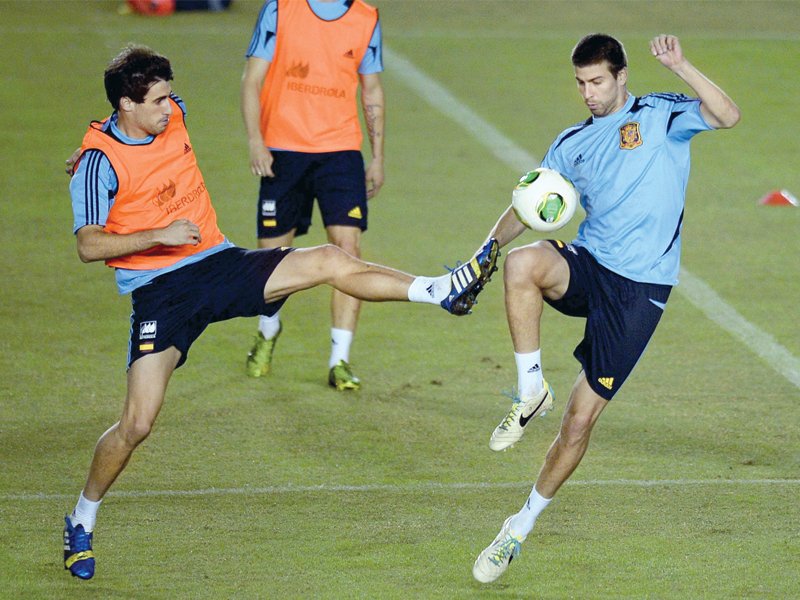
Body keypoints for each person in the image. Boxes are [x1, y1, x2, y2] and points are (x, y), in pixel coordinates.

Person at [62, 44, 498, 580]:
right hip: (161, 293)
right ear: (126, 105)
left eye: (171, 95)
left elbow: (138, 140)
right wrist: (156, 232)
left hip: (218, 264)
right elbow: (88, 246)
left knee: (330, 260)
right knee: (137, 424)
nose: (170, 107)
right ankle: (82, 518)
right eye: (156, 100)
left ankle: (442, 289)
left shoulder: (169, 116)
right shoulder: (96, 163)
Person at [471, 33, 740, 584]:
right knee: (523, 265)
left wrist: (683, 66)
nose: (588, 94)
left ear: (621, 77)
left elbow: (728, 115)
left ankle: (516, 529)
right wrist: (486, 248)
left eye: (597, 82)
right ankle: (530, 386)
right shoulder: (571, 143)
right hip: (593, 264)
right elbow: (527, 204)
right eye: (580, 83)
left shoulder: (662, 115)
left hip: (641, 287)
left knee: (578, 423)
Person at [240, 0, 386, 390]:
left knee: (347, 250)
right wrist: (256, 140)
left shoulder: (366, 17)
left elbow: (371, 91)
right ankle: (268, 330)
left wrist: (377, 157)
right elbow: (252, 78)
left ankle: (340, 360)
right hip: (283, 150)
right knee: (270, 258)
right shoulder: (279, 10)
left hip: (340, 152)